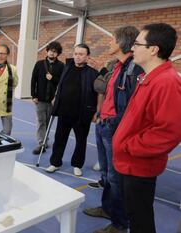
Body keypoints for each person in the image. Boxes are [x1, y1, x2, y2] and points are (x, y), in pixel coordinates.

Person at [113, 23, 181, 233]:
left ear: (153, 49)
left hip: (138, 165)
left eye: (136, 44)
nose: (132, 48)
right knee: (135, 216)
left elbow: (169, 131)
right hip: (129, 162)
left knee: (141, 220)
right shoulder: (148, 77)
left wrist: (130, 146)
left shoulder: (166, 82)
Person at [82, 26, 144, 233]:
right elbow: (107, 94)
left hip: (114, 128)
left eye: (112, 39)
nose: (109, 42)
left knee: (116, 178)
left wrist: (113, 124)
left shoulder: (134, 70)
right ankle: (108, 209)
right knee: (108, 175)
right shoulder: (117, 66)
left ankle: (119, 224)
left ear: (122, 43)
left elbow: (131, 108)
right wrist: (100, 115)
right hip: (104, 124)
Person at [46, 44, 105, 176]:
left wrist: (97, 111)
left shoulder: (93, 73)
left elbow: (99, 93)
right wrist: (56, 96)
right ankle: (55, 162)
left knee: (81, 141)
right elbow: (60, 85)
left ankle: (77, 164)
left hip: (82, 113)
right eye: (76, 53)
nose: (78, 56)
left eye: (81, 54)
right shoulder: (66, 68)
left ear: (87, 57)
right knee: (59, 139)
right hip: (64, 111)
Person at [30, 41, 64, 154]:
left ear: (58, 53)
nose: (52, 53)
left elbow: (62, 82)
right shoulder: (39, 64)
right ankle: (41, 143)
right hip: (40, 99)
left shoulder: (61, 66)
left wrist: (52, 78)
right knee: (41, 122)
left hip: (53, 101)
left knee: (48, 122)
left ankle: (45, 139)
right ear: (47, 51)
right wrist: (33, 95)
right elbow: (33, 80)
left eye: (55, 52)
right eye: (50, 51)